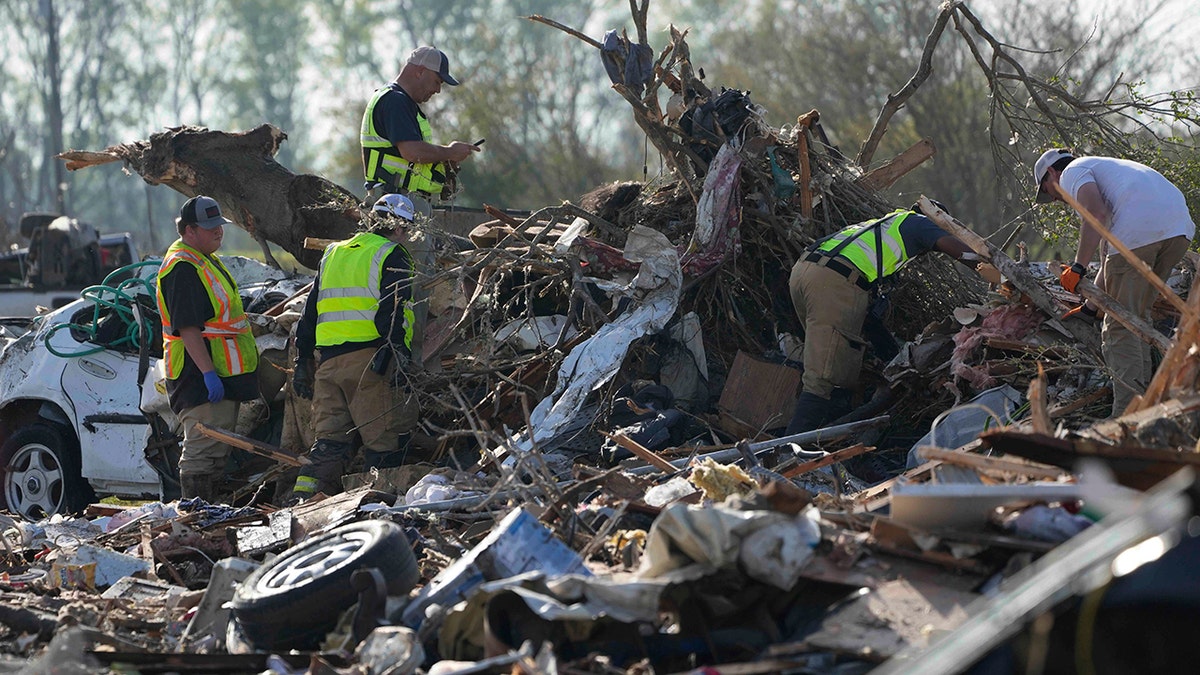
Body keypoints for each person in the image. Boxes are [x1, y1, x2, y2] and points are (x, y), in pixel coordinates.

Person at [785, 203, 999, 434]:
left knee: (832, 359)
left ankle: (818, 434)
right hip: (834, 282)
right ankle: (790, 452)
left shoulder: (883, 225)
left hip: (805, 271)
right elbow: (962, 252)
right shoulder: (920, 222)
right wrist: (1000, 276)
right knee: (823, 378)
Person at [1034, 149, 1196, 416]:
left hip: (1140, 234)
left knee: (1119, 328)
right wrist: (1090, 305)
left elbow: (1095, 216)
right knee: (1137, 320)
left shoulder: (1072, 171)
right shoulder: (1112, 170)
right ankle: (1148, 408)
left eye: (1048, 191)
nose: (1054, 198)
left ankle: (1127, 415)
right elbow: (1110, 254)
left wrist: (1078, 267)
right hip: (1178, 232)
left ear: (1052, 173)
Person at [290, 193, 423, 501]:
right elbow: (396, 311)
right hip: (369, 363)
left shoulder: (334, 252)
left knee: (328, 445)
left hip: (329, 366)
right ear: (400, 226)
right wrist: (398, 357)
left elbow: (311, 311)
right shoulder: (394, 253)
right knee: (384, 443)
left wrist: (302, 360)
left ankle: (300, 506)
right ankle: (375, 509)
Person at [156, 195, 259, 501]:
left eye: (220, 225)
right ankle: (194, 518)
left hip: (220, 372)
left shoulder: (203, 260)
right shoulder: (182, 267)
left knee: (216, 451)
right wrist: (208, 373)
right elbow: (187, 328)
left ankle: (209, 517)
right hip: (197, 375)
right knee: (201, 449)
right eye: (210, 226)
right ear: (188, 230)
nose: (218, 231)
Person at [360, 45, 481, 215]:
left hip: (399, 202)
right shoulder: (395, 101)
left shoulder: (400, 102)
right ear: (420, 71)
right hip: (395, 204)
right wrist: (449, 152)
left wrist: (445, 160)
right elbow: (412, 152)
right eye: (437, 81)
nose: (438, 90)